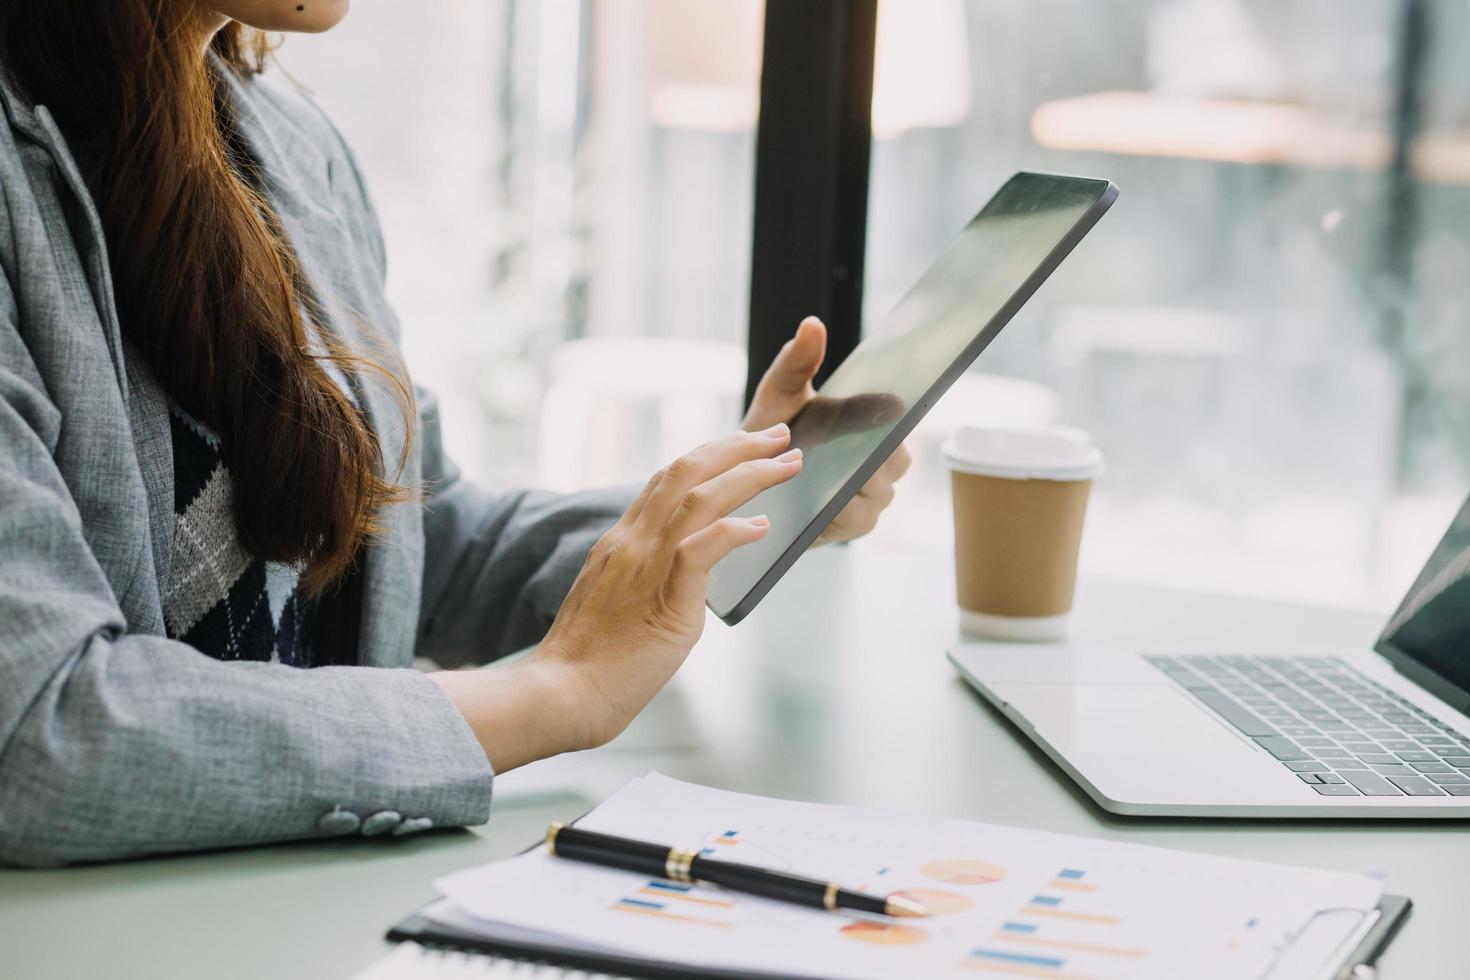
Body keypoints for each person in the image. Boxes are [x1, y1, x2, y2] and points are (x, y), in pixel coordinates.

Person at [0, 0, 910, 867]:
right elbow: (38, 733)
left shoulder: (282, 146)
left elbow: (422, 547)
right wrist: (554, 696)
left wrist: (734, 505)